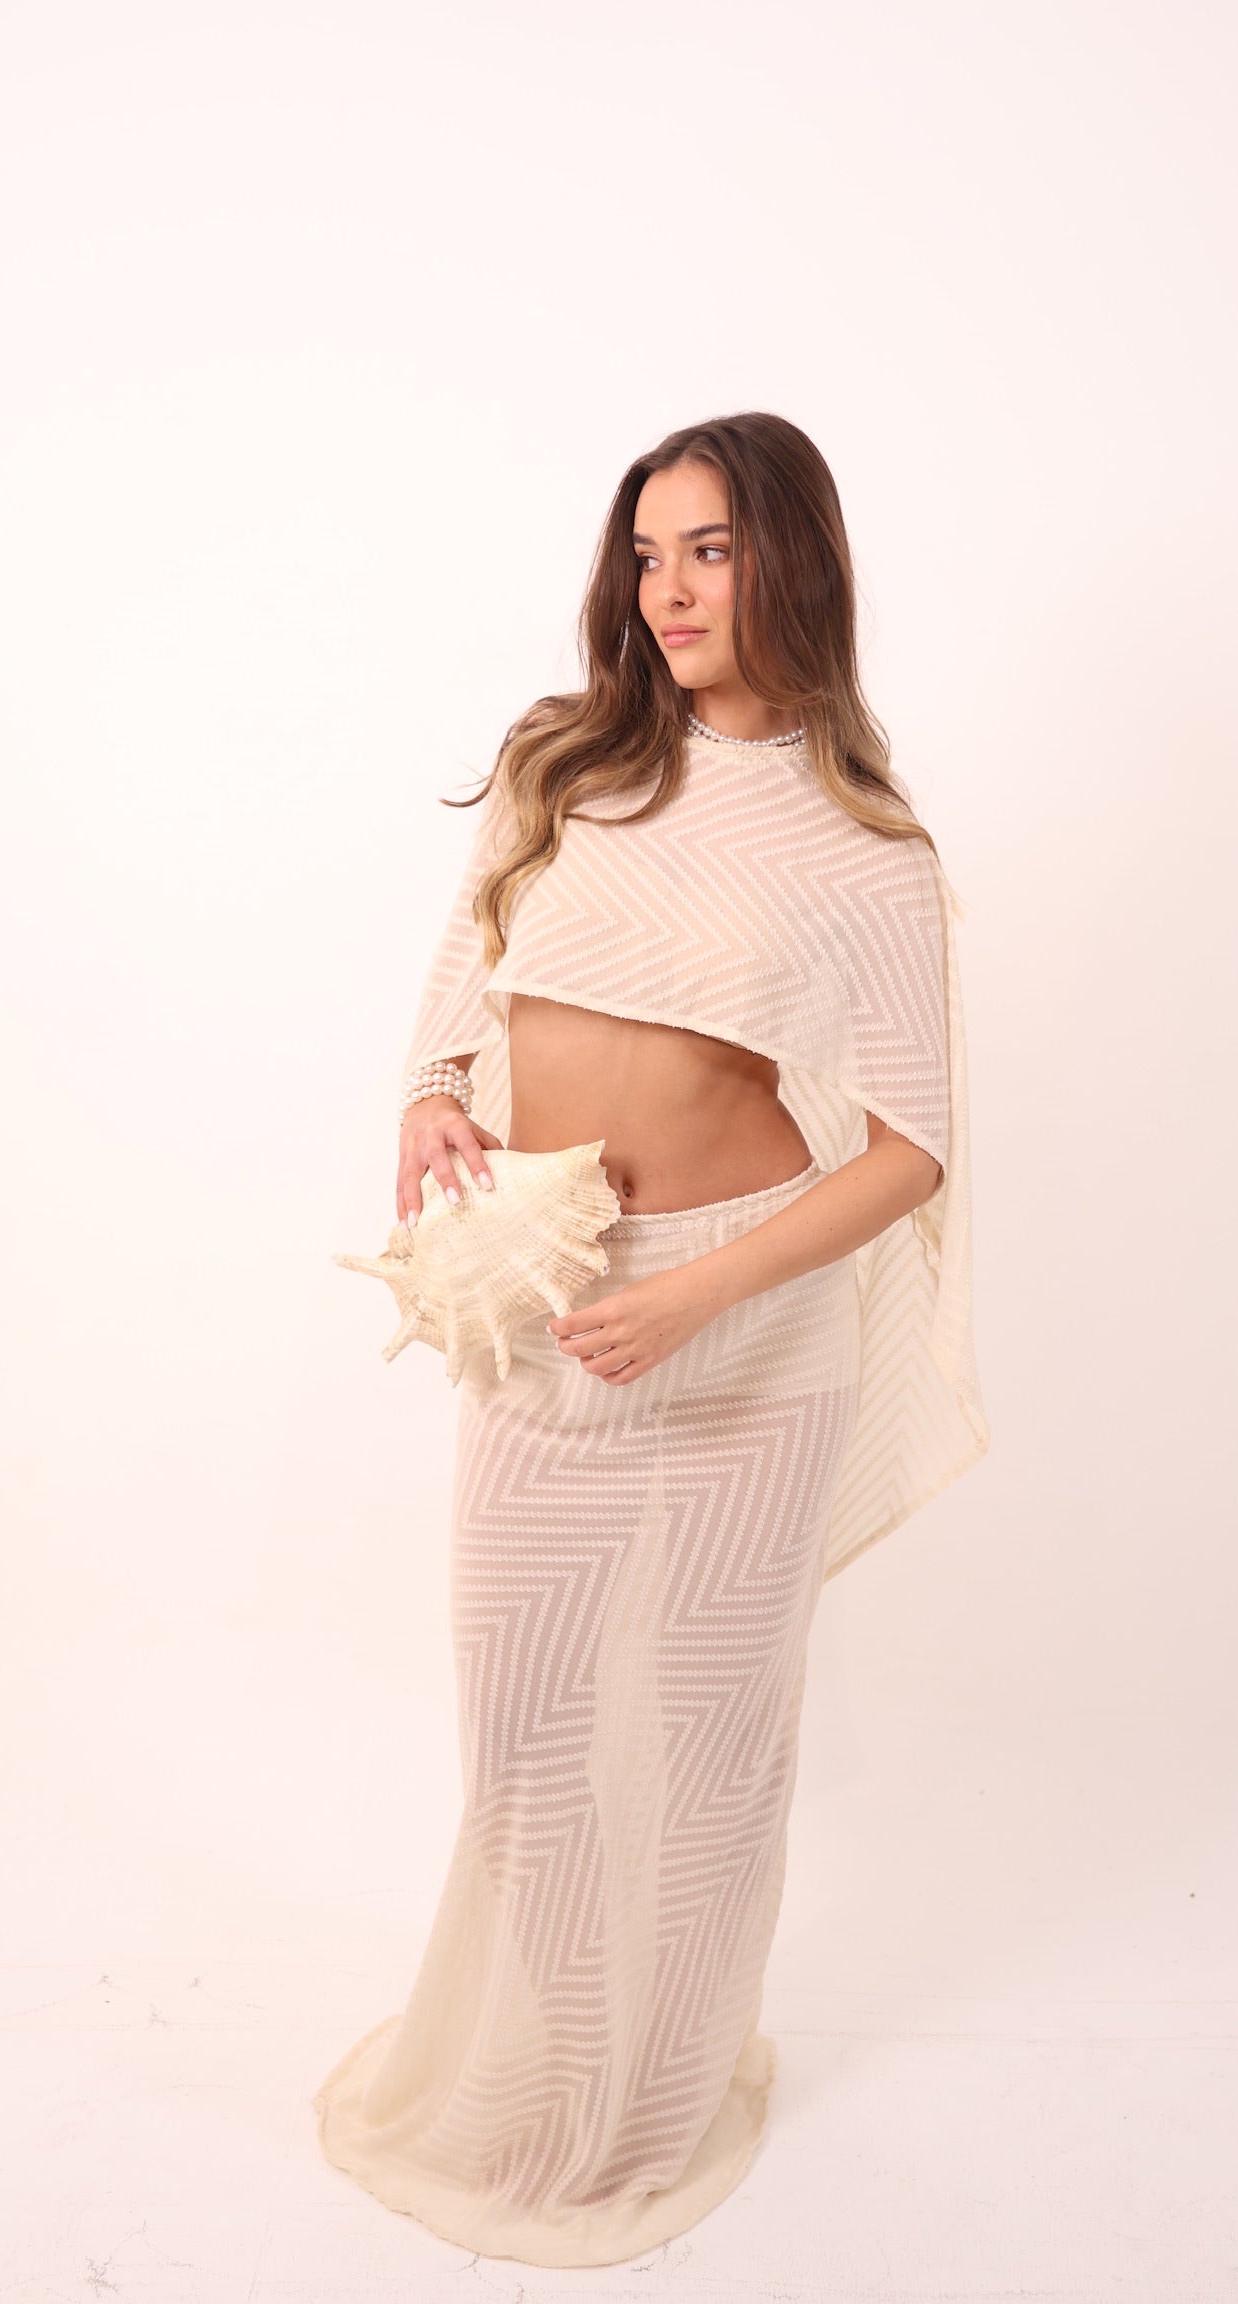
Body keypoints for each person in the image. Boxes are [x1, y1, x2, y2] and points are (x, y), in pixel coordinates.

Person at [312, 411, 990, 2267]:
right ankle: (531, 2082)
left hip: (744, 1336)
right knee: (527, 1727)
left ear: (792, 560)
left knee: (700, 1750)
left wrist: (701, 1290)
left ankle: (645, 2110)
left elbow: (915, 1149)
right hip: (545, 1287)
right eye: (646, 552)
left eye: (709, 549)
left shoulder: (862, 844)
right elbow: (470, 966)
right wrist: (433, 1095)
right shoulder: (572, 757)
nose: (669, 589)